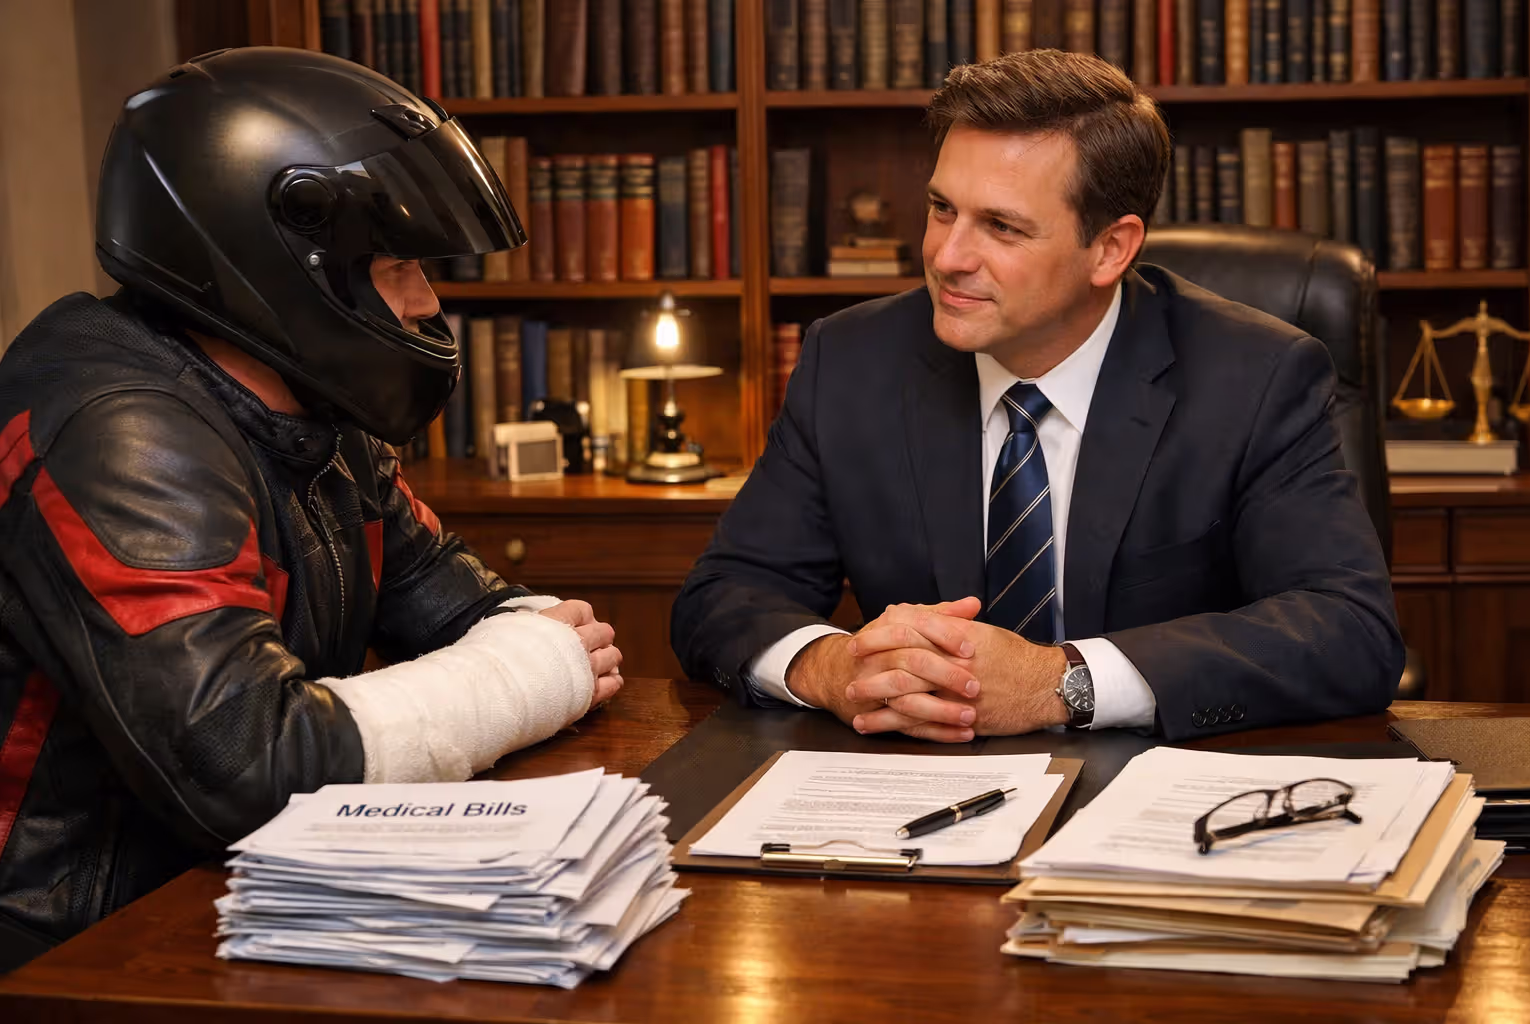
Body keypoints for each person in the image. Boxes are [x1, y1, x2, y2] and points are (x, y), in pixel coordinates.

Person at [0, 47, 621, 969]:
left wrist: (530, 655)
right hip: (82, 948)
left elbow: (474, 613)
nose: (426, 302)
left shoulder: (315, 412)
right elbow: (250, 764)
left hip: (242, 900)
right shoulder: (119, 434)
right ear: (278, 259)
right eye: (401, 264)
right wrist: (532, 672)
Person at [672, 50, 1402, 745]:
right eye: (941, 209)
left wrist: (1060, 684)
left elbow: (1349, 630)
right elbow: (725, 594)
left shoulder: (1255, 376)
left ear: (1111, 249)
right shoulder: (851, 361)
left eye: (1001, 226)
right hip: (915, 793)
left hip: (1158, 802)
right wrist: (835, 670)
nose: (947, 257)